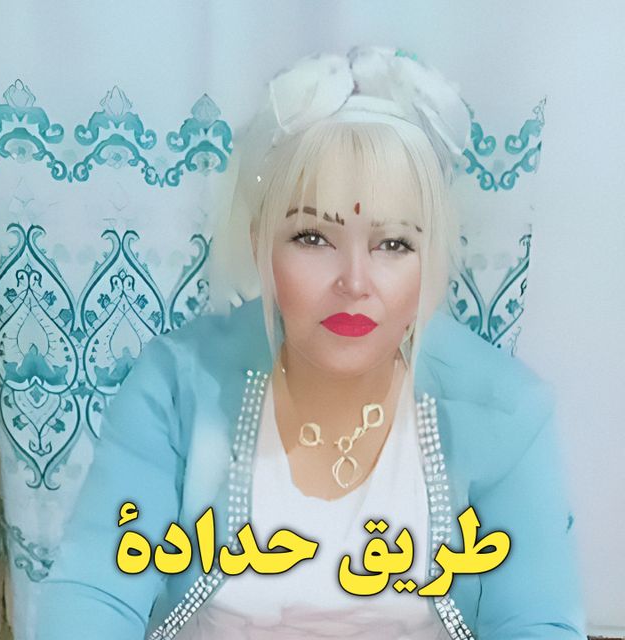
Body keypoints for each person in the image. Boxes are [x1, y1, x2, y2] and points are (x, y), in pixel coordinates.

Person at [36, 46, 586, 639]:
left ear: (430, 258)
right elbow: (93, 592)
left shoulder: (505, 411)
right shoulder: (175, 387)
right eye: (313, 238)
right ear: (260, 245)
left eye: (393, 244)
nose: (355, 282)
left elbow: (536, 623)